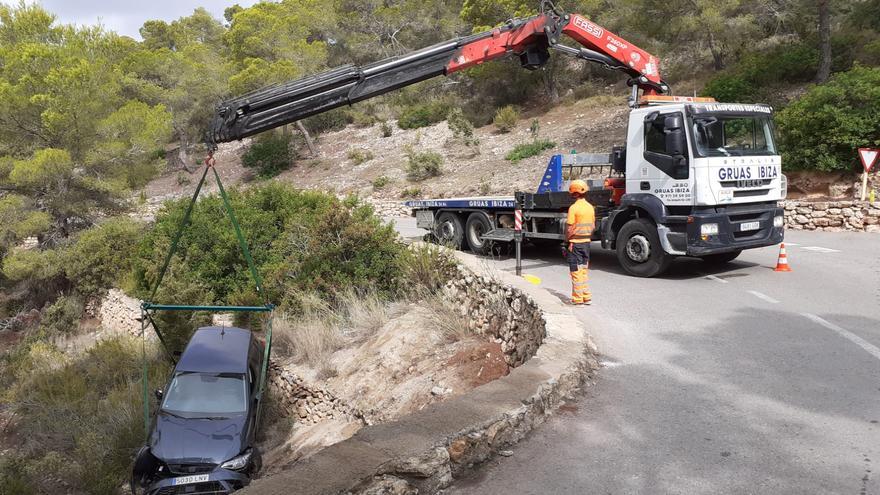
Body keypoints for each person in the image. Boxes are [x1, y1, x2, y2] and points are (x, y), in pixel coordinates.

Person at [565, 180, 595, 305]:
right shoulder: (590, 207)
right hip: (586, 243)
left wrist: (567, 240)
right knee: (583, 271)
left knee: (575, 271)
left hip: (576, 243)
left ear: (574, 193)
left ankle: (577, 299)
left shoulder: (573, 208)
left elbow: (570, 228)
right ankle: (586, 297)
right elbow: (593, 225)